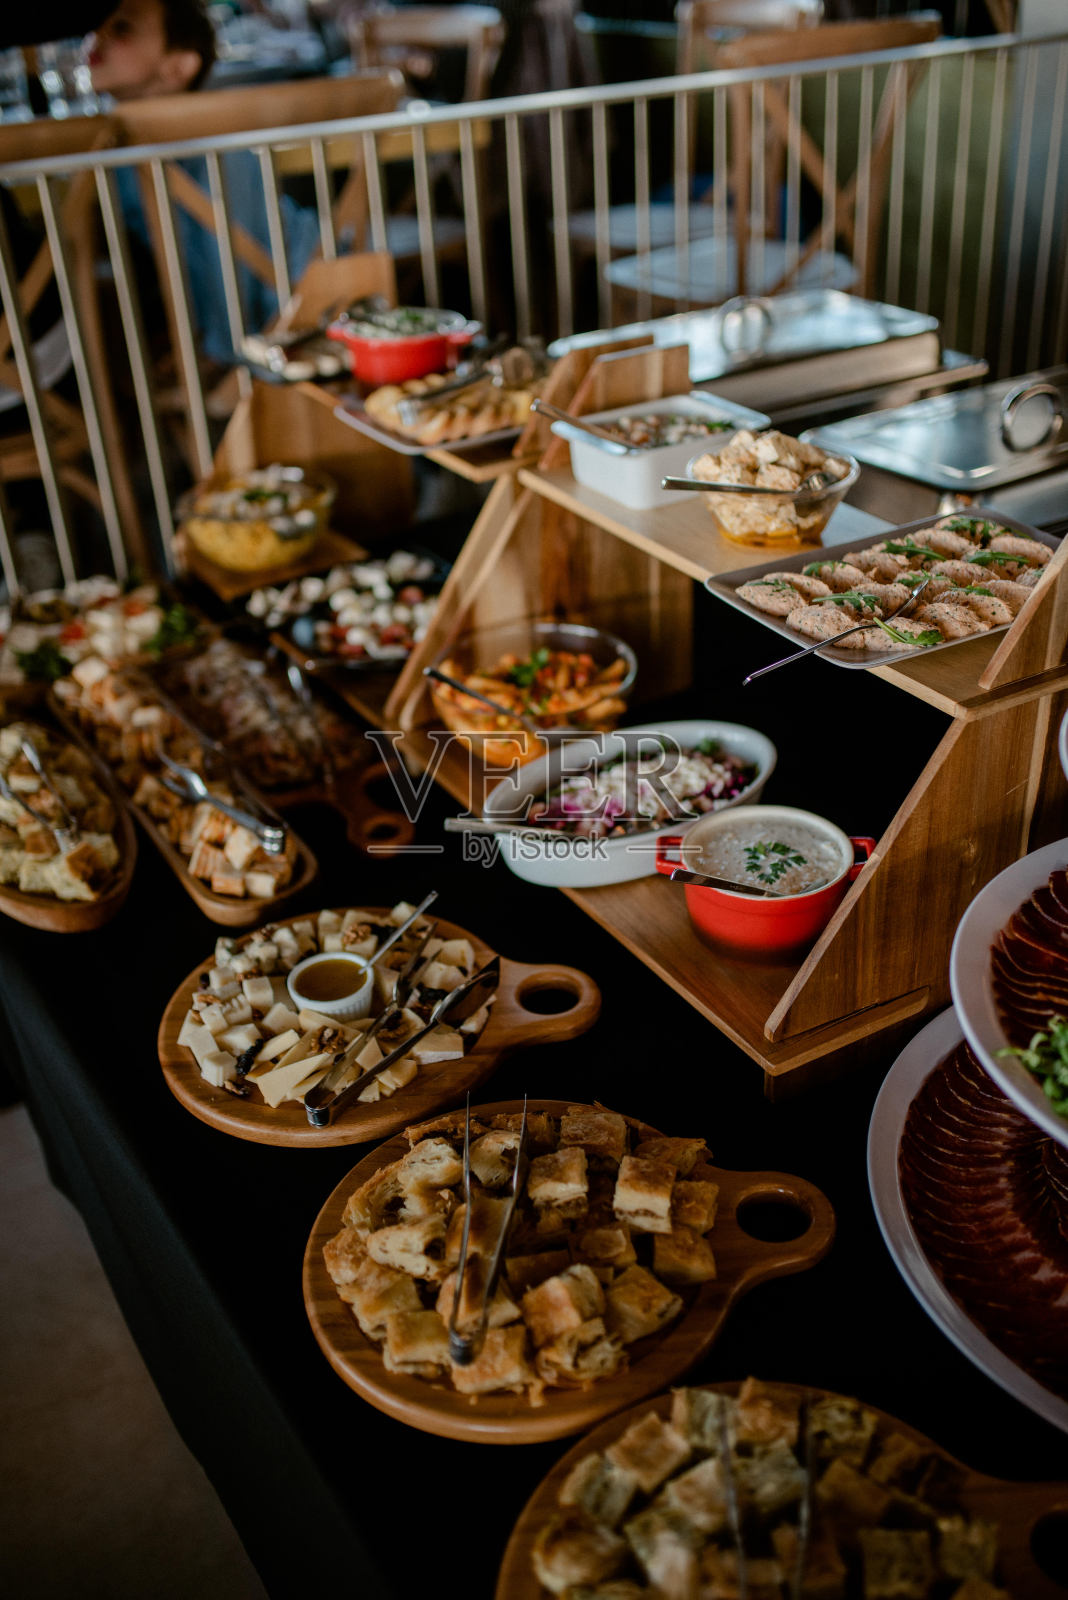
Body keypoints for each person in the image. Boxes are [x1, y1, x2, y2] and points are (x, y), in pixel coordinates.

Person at [85, 0, 320, 363]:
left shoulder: (218, 149)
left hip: (305, 289)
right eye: (98, 25)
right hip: (241, 316)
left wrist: (226, 354)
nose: (96, 37)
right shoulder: (118, 145)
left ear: (178, 66)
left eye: (121, 29)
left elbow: (234, 268)